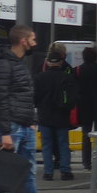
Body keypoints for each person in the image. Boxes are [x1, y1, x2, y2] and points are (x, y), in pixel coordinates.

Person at [0, 25, 64, 193]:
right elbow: (0, 100)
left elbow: (23, 95)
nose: (36, 43)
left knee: (28, 172)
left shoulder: (18, 64)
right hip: (12, 127)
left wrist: (31, 120)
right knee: (4, 172)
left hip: (24, 125)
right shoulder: (5, 65)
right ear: (23, 41)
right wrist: (5, 132)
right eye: (33, 39)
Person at [34, 42, 77, 181]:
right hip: (61, 116)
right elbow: (73, 97)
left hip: (44, 116)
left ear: (47, 62)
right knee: (63, 144)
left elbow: (34, 97)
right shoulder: (67, 77)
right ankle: (65, 171)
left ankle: (48, 172)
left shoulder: (40, 77)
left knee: (46, 145)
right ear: (60, 62)